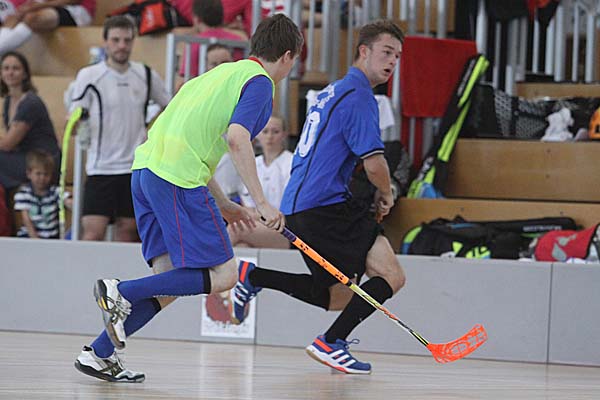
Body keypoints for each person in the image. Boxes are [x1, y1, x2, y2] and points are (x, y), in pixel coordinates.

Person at [73, 13, 303, 383]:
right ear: (289, 56)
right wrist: (262, 202)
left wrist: (224, 203)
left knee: (169, 282)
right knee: (224, 274)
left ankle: (98, 354)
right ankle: (121, 290)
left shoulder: (215, 76)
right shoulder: (260, 83)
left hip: (145, 173)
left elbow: (191, 140)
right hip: (177, 180)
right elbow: (238, 139)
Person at [231, 20, 405, 375]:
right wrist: (387, 193)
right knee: (391, 274)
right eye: (387, 52)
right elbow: (374, 164)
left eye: (397, 56)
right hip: (325, 206)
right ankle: (331, 343)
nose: (392, 61)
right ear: (363, 51)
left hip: (301, 206)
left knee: (337, 297)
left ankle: (253, 276)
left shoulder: (332, 91)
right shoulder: (359, 96)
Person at [68, 16, 170, 242]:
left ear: (133, 41)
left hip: (134, 167)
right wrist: (78, 124)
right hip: (100, 167)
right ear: (105, 42)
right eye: (116, 40)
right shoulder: (89, 75)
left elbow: (169, 107)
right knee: (93, 231)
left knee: (129, 230)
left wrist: (152, 131)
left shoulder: (145, 74)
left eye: (127, 40)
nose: (122, 46)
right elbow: (74, 119)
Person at [228, 113, 292, 249]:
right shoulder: (253, 165)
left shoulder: (291, 163)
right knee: (242, 246)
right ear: (257, 134)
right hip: (258, 225)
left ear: (284, 134)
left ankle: (205, 260)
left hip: (286, 230)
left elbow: (288, 212)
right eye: (265, 131)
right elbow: (247, 207)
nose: (270, 137)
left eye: (275, 132)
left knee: (236, 229)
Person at [0, 50, 60, 191]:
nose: (10, 73)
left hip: (43, 162)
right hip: (25, 156)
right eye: (6, 68)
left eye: (16, 68)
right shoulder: (8, 101)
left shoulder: (30, 103)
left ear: (25, 74)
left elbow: (8, 144)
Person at [0, 0, 96, 54]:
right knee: (11, 19)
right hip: (43, 7)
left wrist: (38, 6)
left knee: (32, 18)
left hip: (75, 11)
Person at [13, 149, 69, 238]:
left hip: (51, 237)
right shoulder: (23, 194)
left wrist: (70, 202)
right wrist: (35, 239)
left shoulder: (55, 192)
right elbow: (27, 220)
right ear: (29, 174)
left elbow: (68, 201)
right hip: (29, 236)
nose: (42, 178)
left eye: (46, 174)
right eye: (38, 174)